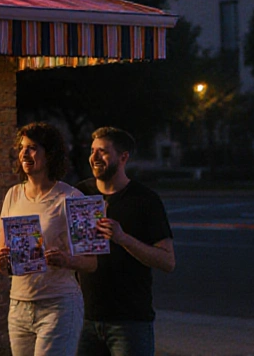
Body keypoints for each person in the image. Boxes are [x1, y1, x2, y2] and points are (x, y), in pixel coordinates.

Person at [0, 122, 97, 356]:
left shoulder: (73, 198)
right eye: (21, 148)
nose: (24, 154)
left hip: (58, 305)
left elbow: (92, 262)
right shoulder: (13, 194)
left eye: (32, 148)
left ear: (50, 154)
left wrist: (67, 260)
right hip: (19, 304)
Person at [76, 127, 175, 356]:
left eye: (103, 152)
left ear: (123, 157)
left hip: (129, 322)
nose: (94, 157)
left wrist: (123, 238)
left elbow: (168, 261)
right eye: (92, 151)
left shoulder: (145, 200)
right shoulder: (79, 194)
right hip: (83, 318)